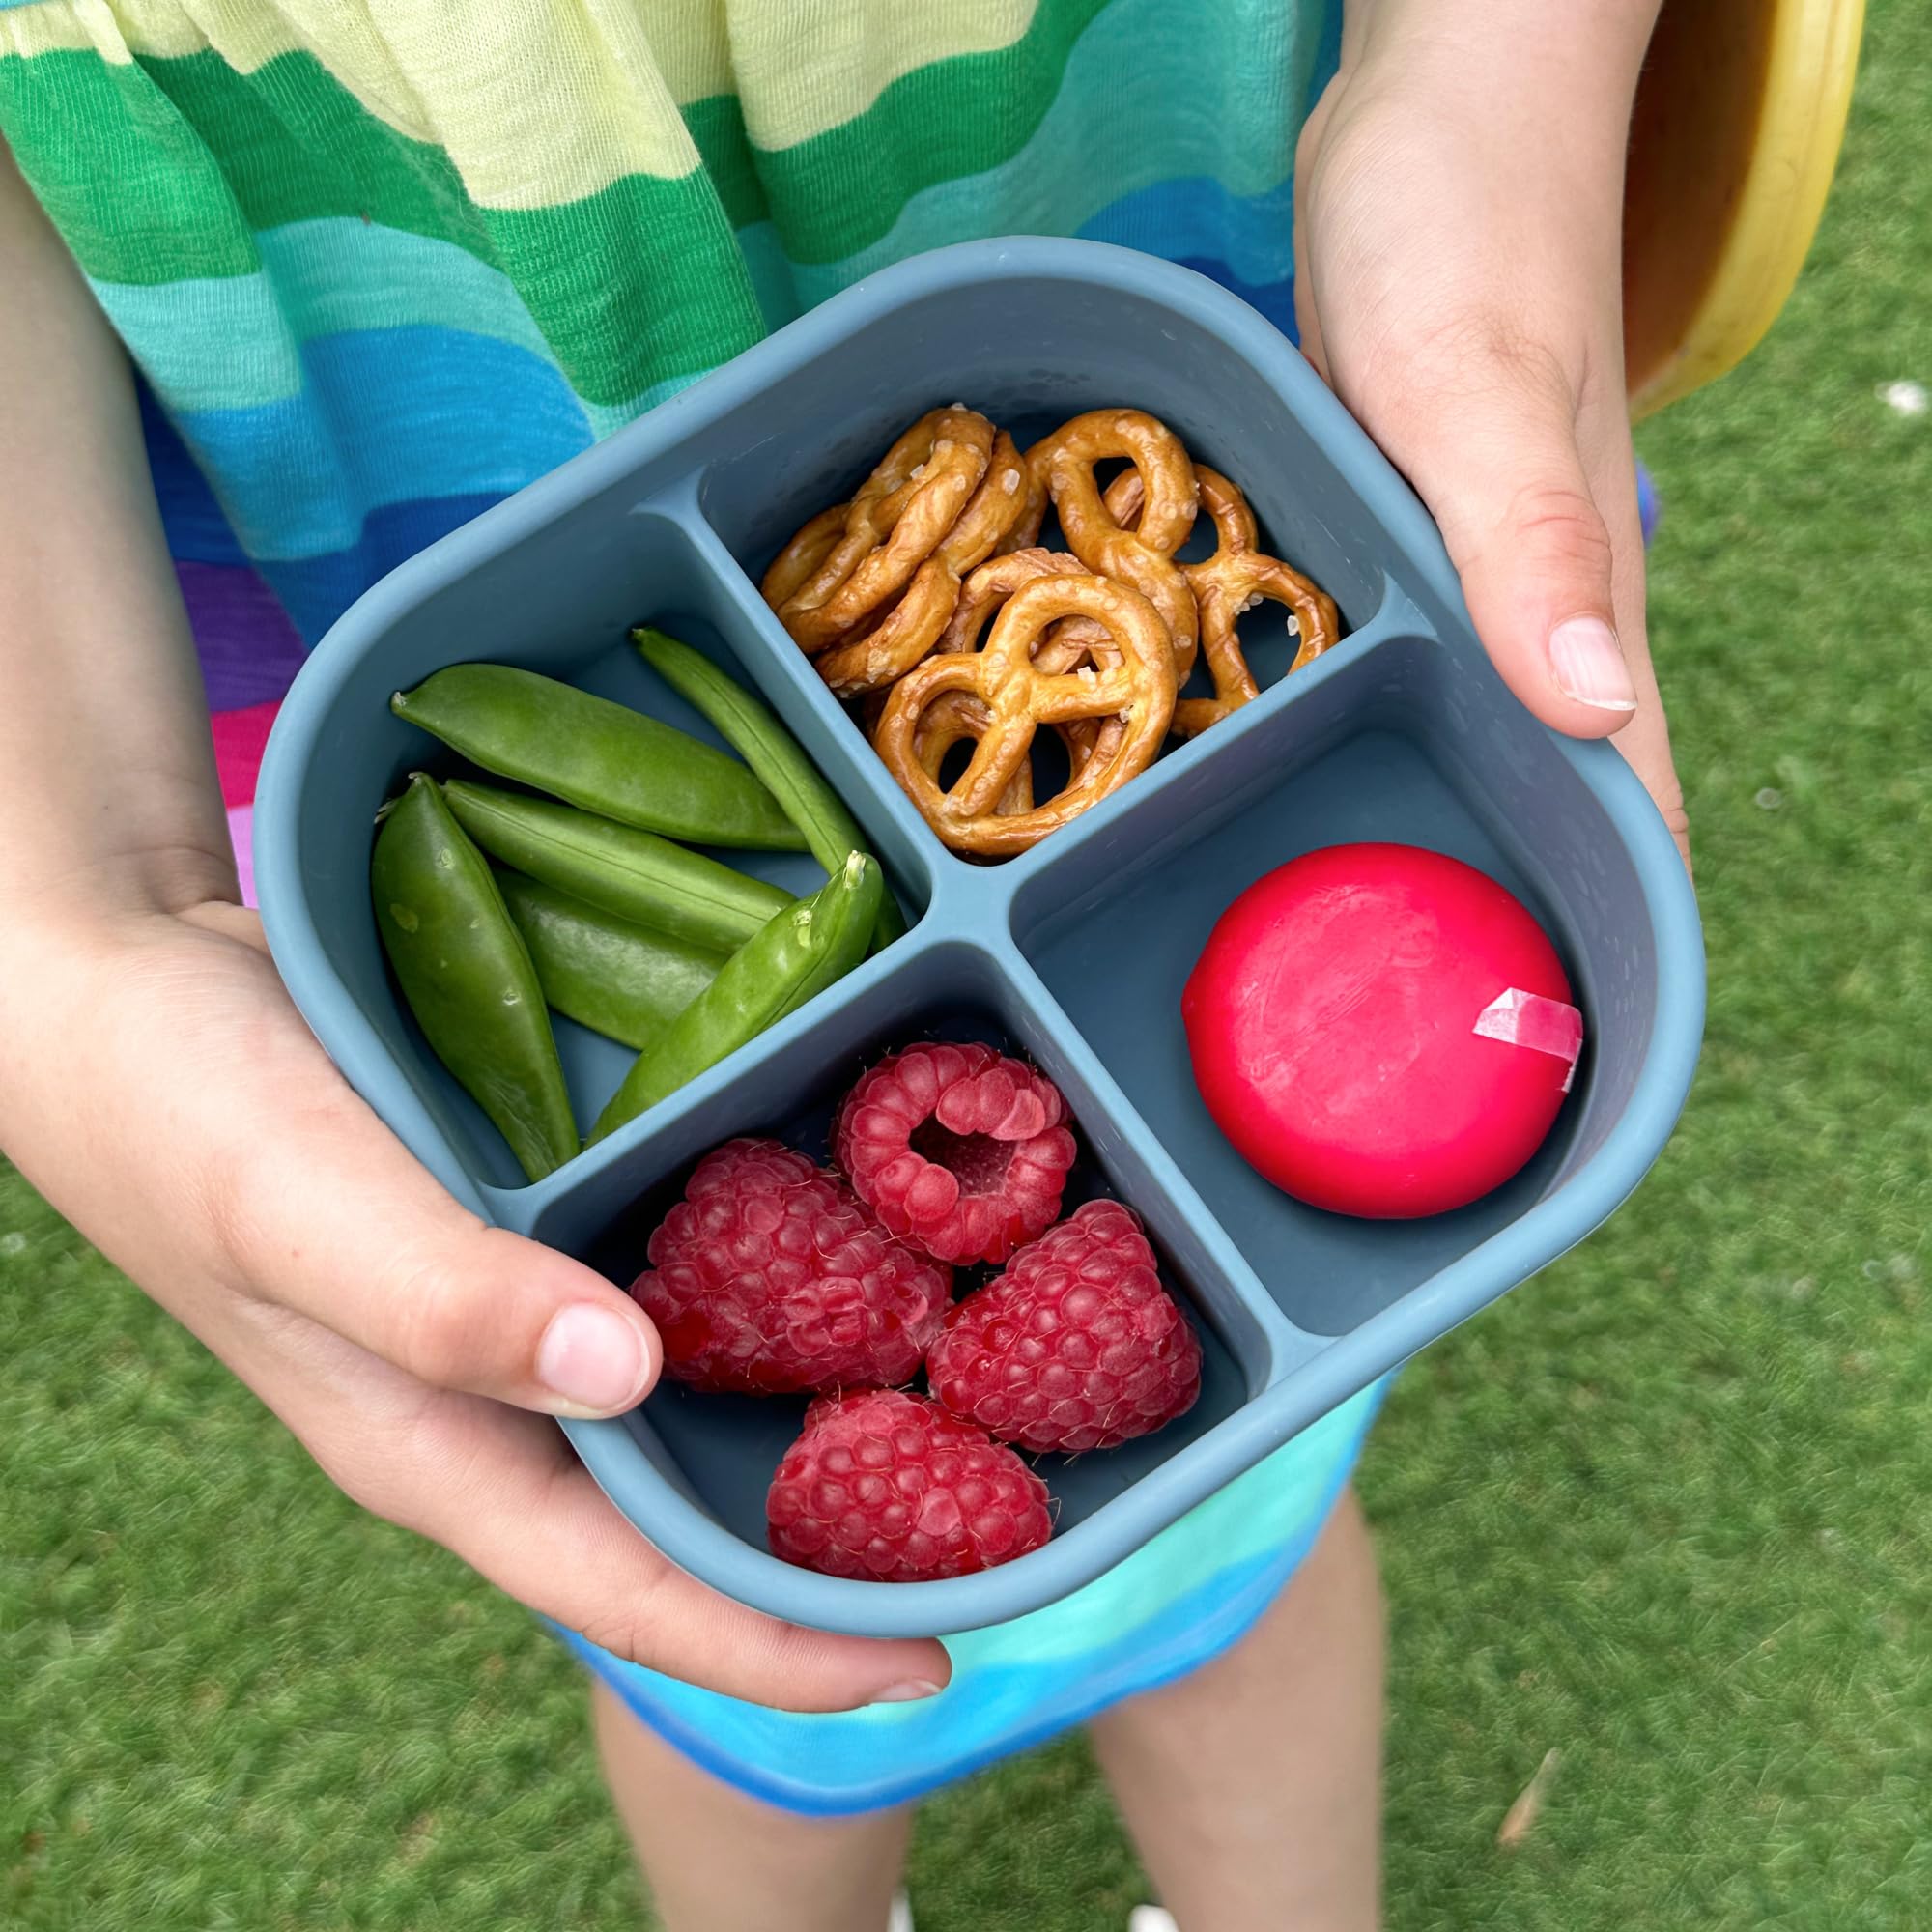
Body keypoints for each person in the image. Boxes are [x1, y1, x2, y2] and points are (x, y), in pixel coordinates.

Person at [0, 3, 1689, 1927]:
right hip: (376, 414)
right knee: (746, 1703)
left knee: (1242, 1536)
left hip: (1154, 210)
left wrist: (1483, 90)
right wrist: (51, 898)